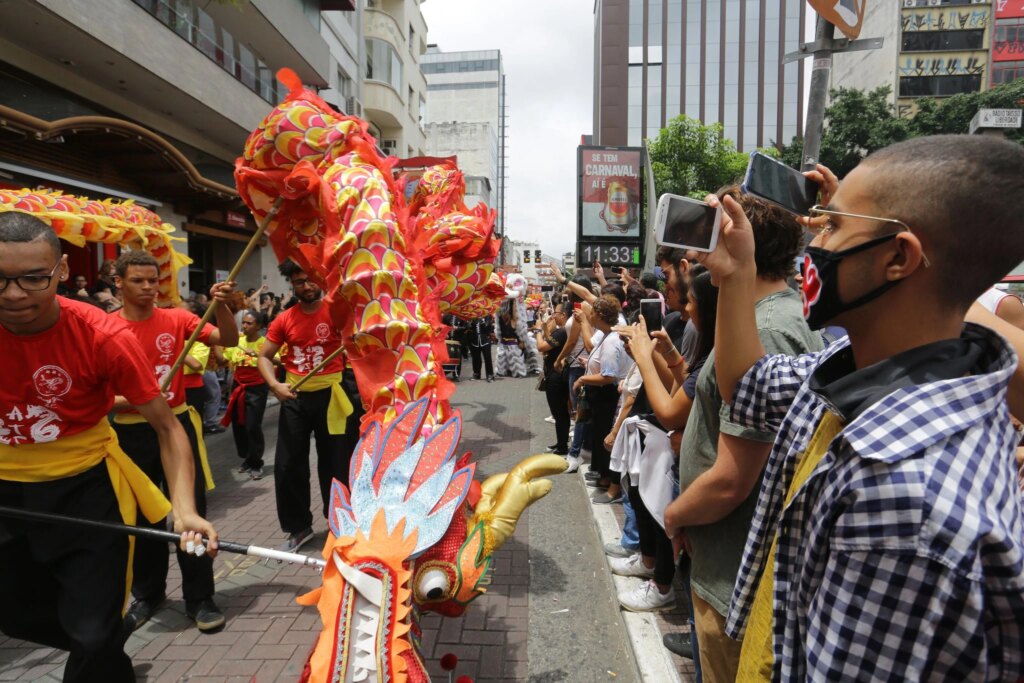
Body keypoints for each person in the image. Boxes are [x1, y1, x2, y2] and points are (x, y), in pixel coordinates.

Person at [703, 136, 1024, 681]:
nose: (812, 243)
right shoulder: (854, 370)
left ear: (898, 258)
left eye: (830, 225)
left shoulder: (908, 505)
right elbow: (751, 387)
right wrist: (736, 273)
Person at [0, 214, 217, 681]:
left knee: (93, 636)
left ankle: (97, 641)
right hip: (5, 492)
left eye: (33, 278)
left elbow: (167, 427)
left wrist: (184, 510)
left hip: (87, 489)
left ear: (61, 271)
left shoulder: (104, 335)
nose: (14, 294)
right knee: (18, 615)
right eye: (0, 279)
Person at [656, 188, 822, 682]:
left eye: (709, 231)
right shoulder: (757, 316)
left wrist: (674, 514)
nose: (691, 256)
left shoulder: (767, 327)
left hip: (733, 572)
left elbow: (732, 480)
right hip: (725, 559)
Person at [112, 250, 238, 634]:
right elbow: (98, 396)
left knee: (191, 512)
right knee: (142, 516)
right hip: (129, 432)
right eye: (138, 280)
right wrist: (142, 398)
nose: (148, 287)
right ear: (118, 283)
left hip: (177, 425)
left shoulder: (178, 319)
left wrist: (222, 306)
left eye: (153, 280)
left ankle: (200, 596)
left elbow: (229, 339)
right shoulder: (103, 329)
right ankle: (148, 594)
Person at [257, 260, 364, 552]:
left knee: (337, 462)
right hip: (295, 397)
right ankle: (298, 527)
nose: (306, 286)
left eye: (310, 279)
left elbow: (361, 340)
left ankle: (340, 522)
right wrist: (275, 386)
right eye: (299, 281)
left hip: (334, 395)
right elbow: (264, 356)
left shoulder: (338, 312)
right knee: (288, 464)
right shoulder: (284, 319)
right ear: (292, 284)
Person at [573, 296, 628, 504]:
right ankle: (604, 476)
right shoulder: (607, 335)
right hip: (604, 394)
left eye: (593, 312)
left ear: (602, 316)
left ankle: (609, 480)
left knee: (607, 439)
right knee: (599, 434)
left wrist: (582, 377)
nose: (590, 315)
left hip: (608, 395)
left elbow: (608, 376)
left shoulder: (612, 340)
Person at [222, 310, 273, 478]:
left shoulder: (265, 343)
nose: (244, 326)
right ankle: (247, 459)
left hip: (257, 388)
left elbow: (278, 360)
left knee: (252, 425)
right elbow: (223, 359)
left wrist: (259, 355)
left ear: (259, 326)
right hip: (238, 386)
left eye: (249, 323)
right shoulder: (237, 341)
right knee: (238, 425)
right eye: (243, 322)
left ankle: (256, 462)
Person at [536, 303, 571, 454]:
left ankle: (563, 446)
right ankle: (561, 442)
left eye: (555, 313)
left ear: (563, 315)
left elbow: (542, 347)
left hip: (556, 377)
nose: (552, 316)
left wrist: (538, 330)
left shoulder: (562, 332)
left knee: (560, 412)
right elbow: (550, 341)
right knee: (559, 413)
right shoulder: (561, 331)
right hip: (555, 374)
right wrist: (545, 328)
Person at [495, 299, 527, 378]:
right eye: (503, 314)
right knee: (502, 357)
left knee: (515, 358)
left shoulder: (513, 320)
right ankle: (503, 371)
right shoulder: (500, 321)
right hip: (503, 343)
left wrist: (513, 300)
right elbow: (498, 310)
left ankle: (519, 372)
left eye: (506, 313)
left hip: (513, 344)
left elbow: (514, 312)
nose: (504, 315)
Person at [465, 314, 496, 381]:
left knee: (487, 358)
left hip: (485, 340)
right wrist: (470, 323)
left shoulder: (487, 315)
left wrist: (483, 322)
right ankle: (476, 374)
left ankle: (490, 374)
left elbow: (488, 327)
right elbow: (468, 327)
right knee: (476, 358)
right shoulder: (472, 316)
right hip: (475, 340)